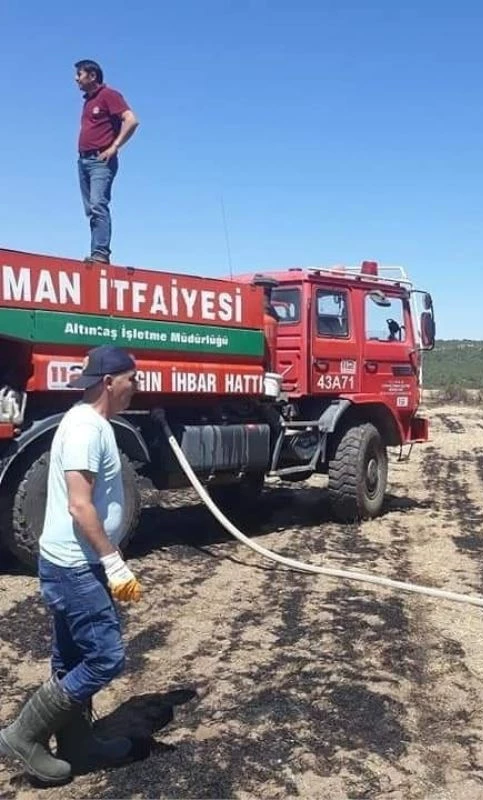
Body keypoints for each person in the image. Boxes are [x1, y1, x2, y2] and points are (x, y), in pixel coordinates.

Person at [0, 345, 142, 786]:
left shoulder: (92, 424)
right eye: (131, 379)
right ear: (109, 382)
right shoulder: (85, 430)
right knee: (105, 657)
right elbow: (81, 506)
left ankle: (78, 745)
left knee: (71, 658)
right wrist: (112, 561)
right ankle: (23, 734)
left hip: (74, 564)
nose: (135, 387)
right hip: (74, 567)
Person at [75, 59, 139, 264]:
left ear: (92, 76)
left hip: (100, 160)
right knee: (91, 209)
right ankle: (96, 252)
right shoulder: (88, 101)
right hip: (83, 160)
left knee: (98, 204)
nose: (76, 79)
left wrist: (114, 147)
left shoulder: (109, 95)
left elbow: (131, 120)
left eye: (80, 74)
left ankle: (101, 254)